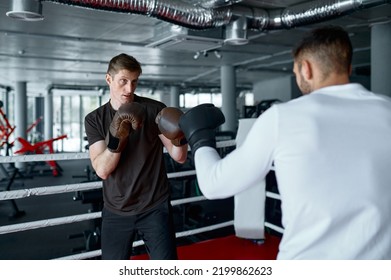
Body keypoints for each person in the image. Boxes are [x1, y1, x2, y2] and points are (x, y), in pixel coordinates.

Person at [178, 26, 391, 259]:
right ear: (348, 67)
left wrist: (199, 137)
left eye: (296, 72)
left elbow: (214, 184)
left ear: (305, 69)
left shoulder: (284, 117)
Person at [84, 53, 188, 260]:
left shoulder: (154, 110)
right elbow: (103, 170)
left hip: (155, 207)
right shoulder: (94, 119)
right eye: (123, 81)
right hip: (116, 210)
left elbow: (180, 157)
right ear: (109, 79)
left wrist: (181, 134)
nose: (129, 89)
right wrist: (117, 136)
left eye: (134, 82)